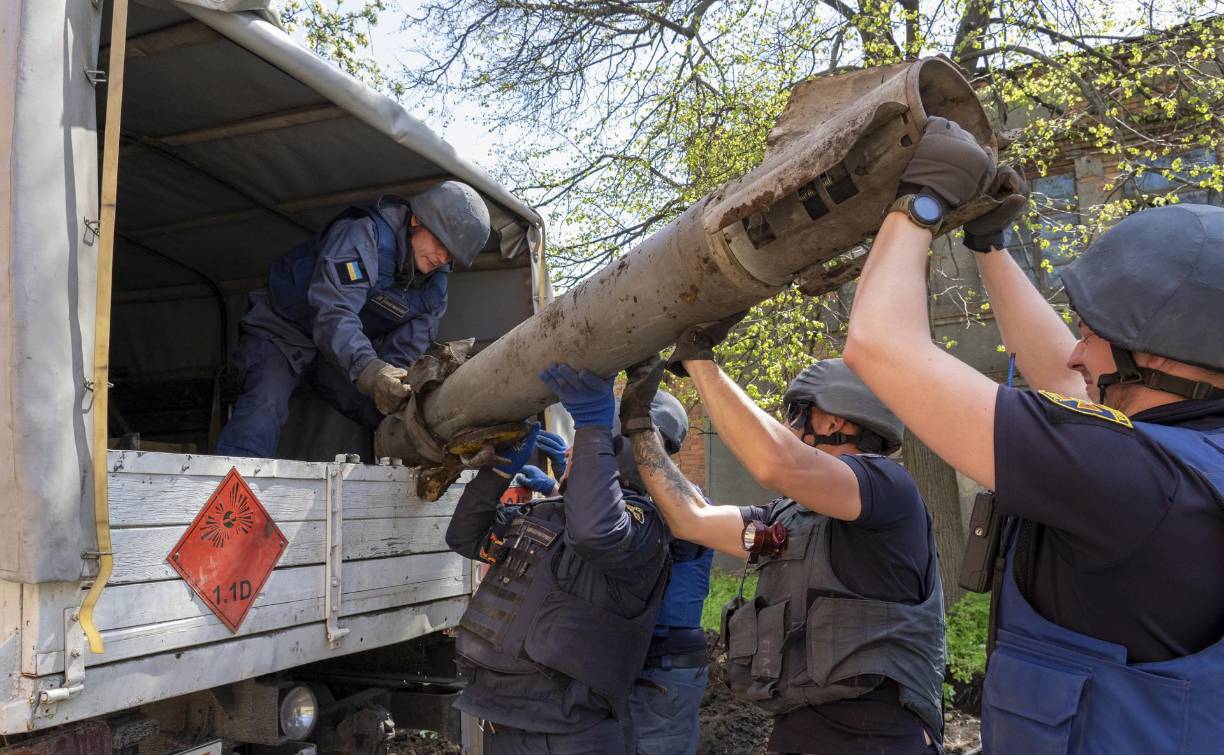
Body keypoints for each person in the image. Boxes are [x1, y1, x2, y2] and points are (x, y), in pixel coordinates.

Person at [842, 116, 1224, 753]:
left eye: (1094, 332)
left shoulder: (1128, 476)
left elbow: (879, 346)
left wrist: (922, 203)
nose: (1077, 353)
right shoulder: (1188, 464)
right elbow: (1069, 386)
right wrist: (988, 245)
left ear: (1155, 354)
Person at [621, 354, 946, 755]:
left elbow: (775, 462)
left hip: (878, 741)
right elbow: (691, 518)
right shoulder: (789, 513)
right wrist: (639, 425)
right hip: (798, 734)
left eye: (794, 414)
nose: (787, 426)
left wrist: (698, 359)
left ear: (831, 420)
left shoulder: (887, 486)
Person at [444, 363, 671, 754]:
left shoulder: (644, 529)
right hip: (504, 725)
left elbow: (596, 530)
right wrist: (497, 472)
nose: (569, 453)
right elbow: (465, 536)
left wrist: (593, 430)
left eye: (583, 444)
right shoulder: (549, 513)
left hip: (571, 736)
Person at [215, 181, 491, 457]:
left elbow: (405, 352)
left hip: (336, 356)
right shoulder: (364, 235)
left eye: (451, 254)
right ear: (417, 219)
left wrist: (393, 384)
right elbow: (334, 311)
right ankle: (231, 496)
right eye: (440, 242)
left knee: (392, 417)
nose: (442, 258)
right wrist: (369, 369)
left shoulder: (435, 287)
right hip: (283, 331)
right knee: (264, 404)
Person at [512, 388, 713, 755]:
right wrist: (566, 485)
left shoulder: (687, 504)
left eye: (613, 443)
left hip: (663, 666)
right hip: (624, 661)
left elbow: (616, 528)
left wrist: (579, 481)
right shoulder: (648, 498)